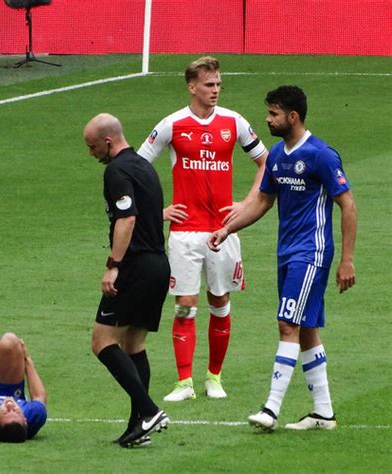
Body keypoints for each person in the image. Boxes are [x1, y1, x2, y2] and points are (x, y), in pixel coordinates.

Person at [207, 85, 357, 431]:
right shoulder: (276, 154)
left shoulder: (321, 155)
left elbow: (347, 204)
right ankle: (323, 413)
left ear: (293, 116)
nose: (268, 119)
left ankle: (271, 409)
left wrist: (346, 260)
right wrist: (228, 229)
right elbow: (262, 201)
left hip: (312, 252)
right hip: (287, 252)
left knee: (287, 323)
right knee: (304, 329)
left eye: (274, 113)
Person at [138, 56, 268, 401]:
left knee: (220, 300)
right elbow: (136, 168)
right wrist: (158, 210)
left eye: (218, 84)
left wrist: (247, 202)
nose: (215, 90)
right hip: (185, 232)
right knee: (185, 303)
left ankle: (214, 378)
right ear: (192, 86)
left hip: (223, 230)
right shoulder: (172, 124)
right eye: (209, 85)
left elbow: (266, 162)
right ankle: (184, 383)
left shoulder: (234, 122)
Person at [84, 113, 171, 447]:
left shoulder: (116, 170)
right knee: (134, 345)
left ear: (108, 141)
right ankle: (139, 427)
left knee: (101, 340)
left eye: (92, 146)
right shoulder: (144, 166)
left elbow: (127, 219)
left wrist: (113, 265)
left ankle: (148, 411)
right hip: (159, 265)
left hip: (134, 266)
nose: (91, 153)